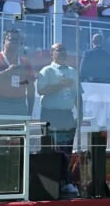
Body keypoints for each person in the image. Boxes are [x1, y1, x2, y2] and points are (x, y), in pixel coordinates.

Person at [37, 43, 83, 195]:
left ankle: (65, 181)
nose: (62, 52)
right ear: (52, 53)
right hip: (51, 114)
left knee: (66, 150)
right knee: (51, 150)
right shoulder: (47, 71)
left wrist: (80, 114)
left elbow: (77, 95)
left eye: (64, 49)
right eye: (59, 50)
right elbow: (41, 90)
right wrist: (59, 85)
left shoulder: (73, 72)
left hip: (67, 115)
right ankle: (51, 183)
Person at [0, 29, 35, 123]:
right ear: (4, 41)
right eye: (11, 39)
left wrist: (29, 113)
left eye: (17, 40)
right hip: (1, 104)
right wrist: (7, 72)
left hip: (20, 106)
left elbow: (31, 89)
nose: (15, 42)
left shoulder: (25, 62)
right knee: (0, 136)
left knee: (20, 136)